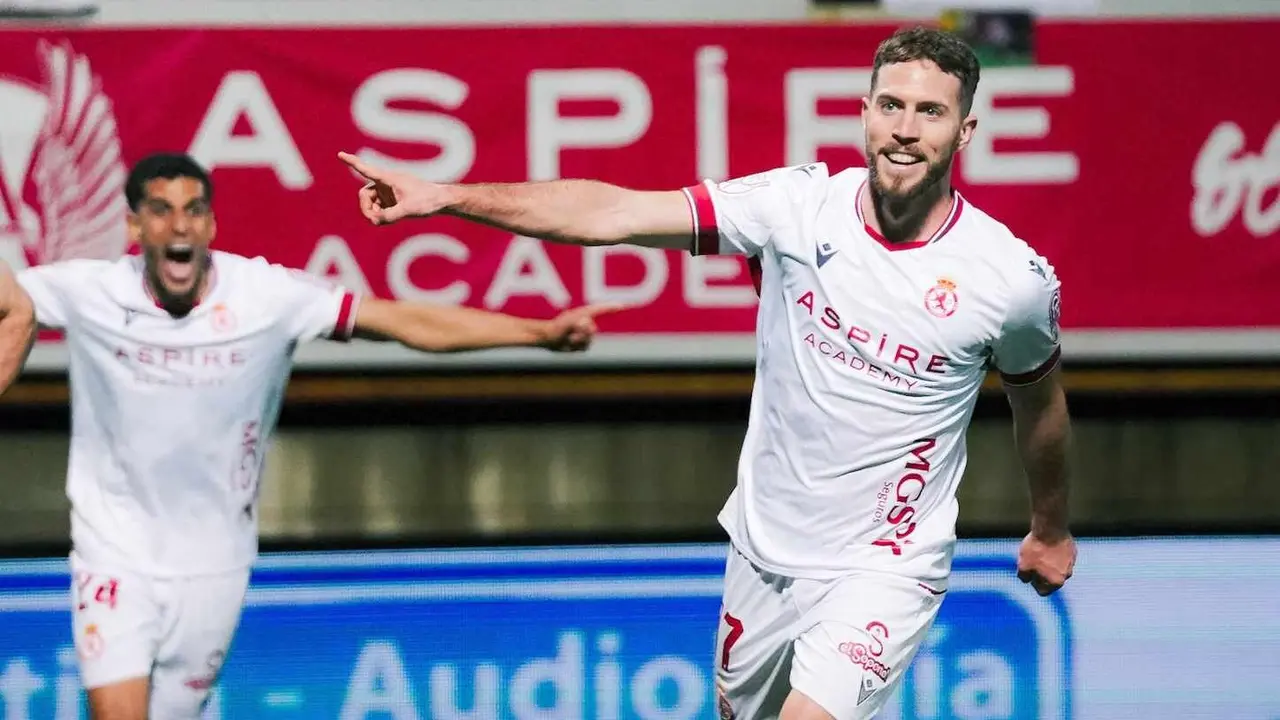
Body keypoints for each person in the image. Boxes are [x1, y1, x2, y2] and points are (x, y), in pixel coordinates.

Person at [336, 25, 1077, 720]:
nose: (906, 130)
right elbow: (611, 213)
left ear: (965, 131)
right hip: (763, 547)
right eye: (891, 106)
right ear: (865, 113)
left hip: (885, 565)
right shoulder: (797, 207)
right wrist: (447, 197)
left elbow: (1039, 409)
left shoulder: (1008, 280)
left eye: (930, 112)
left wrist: (1049, 527)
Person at [0, 152, 613, 720]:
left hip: (216, 563)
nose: (179, 227)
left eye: (193, 210)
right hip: (113, 554)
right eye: (161, 211)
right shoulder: (88, 290)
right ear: (135, 229)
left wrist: (538, 335)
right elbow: (12, 302)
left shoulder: (267, 297)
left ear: (212, 225)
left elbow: (404, 321)